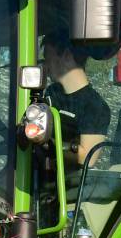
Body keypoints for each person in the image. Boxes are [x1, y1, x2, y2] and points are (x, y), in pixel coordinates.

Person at [41, 36, 111, 165]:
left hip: (67, 182)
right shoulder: (52, 93)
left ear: (67, 55)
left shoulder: (95, 107)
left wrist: (43, 141)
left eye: (47, 58)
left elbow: (86, 157)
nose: (44, 65)